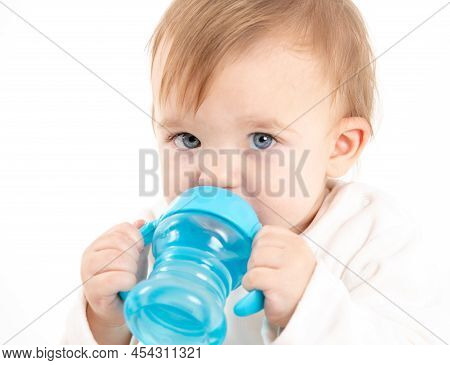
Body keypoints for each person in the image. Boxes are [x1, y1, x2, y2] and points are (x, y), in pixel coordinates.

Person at [62, 0, 443, 344]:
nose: (215, 174)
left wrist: (308, 307)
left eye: (262, 140)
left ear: (339, 146)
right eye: (189, 140)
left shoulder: (369, 234)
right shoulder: (151, 248)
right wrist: (105, 324)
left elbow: (418, 350)